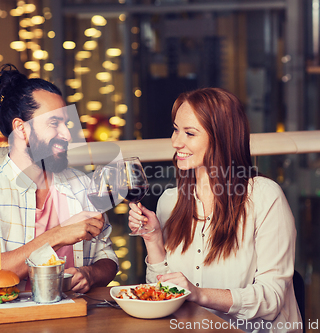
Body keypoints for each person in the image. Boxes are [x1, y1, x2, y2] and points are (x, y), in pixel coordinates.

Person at [129, 88, 302, 332]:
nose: (176, 141)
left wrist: (199, 294)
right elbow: (162, 293)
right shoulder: (171, 200)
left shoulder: (264, 196)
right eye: (176, 129)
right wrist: (153, 239)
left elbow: (271, 300)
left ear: (222, 138)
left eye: (189, 133)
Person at [0, 64, 118, 296]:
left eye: (66, 124)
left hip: (75, 318)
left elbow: (107, 258)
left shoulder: (84, 185)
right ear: (21, 128)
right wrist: (58, 235)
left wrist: (91, 274)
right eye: (53, 123)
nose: (67, 135)